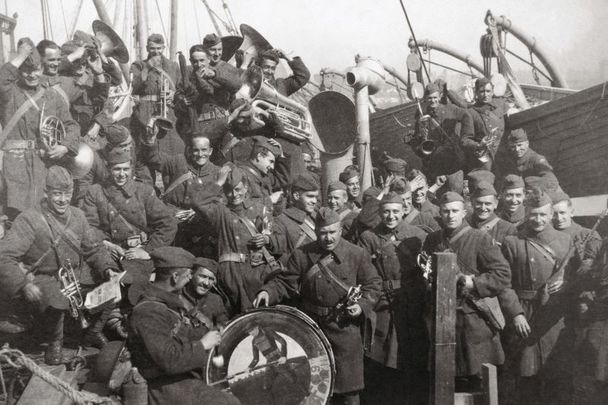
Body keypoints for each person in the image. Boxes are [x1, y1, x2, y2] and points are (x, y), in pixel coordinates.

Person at [254, 207, 381, 405]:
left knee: (349, 392)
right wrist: (267, 292)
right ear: (316, 232)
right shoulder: (302, 255)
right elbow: (285, 283)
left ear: (340, 230)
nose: (328, 238)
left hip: (345, 330)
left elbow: (373, 285)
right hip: (312, 330)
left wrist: (361, 306)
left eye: (332, 232)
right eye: (323, 233)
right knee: (315, 390)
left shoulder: (357, 254)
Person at [0, 166, 118, 364]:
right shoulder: (30, 219)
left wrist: (109, 269)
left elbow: (93, 249)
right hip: (43, 278)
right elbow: (4, 256)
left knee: (114, 286)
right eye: (57, 194)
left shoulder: (78, 216)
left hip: (75, 275)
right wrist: (23, 284)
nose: (63, 200)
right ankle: (56, 345)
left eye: (67, 194)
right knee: (57, 298)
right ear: (46, 193)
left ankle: (93, 332)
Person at [413, 192, 511, 392]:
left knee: (476, 380)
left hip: (473, 321)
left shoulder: (480, 238)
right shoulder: (433, 239)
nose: (450, 215)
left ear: (464, 212)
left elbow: (502, 275)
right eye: (446, 211)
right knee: (446, 379)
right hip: (442, 320)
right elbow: (425, 271)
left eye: (455, 211)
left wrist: (472, 282)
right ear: (440, 213)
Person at [128, 246, 240, 405]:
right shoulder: (150, 311)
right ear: (175, 277)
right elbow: (169, 360)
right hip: (161, 384)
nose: (189, 279)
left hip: (182, 374)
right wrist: (203, 344)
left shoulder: (169, 303)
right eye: (188, 275)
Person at [499, 188, 580, 405]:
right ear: (526, 214)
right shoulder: (512, 242)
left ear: (551, 214)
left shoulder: (565, 241)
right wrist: (515, 314)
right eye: (533, 214)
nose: (538, 219)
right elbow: (504, 284)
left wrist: (566, 283)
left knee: (555, 376)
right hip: (525, 315)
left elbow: (577, 279)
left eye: (543, 214)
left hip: (553, 317)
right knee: (526, 377)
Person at [358, 192, 426, 404]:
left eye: (395, 211)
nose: (391, 216)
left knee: (410, 353)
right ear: (379, 213)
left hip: (411, 302)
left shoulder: (417, 235)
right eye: (386, 211)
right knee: (382, 355)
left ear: (404, 210)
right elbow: (364, 272)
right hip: (382, 303)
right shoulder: (368, 237)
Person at [0, 38, 80, 220]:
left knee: (45, 214)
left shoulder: (51, 96)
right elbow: (2, 78)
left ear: (42, 69)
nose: (32, 75)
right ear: (19, 71)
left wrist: (65, 147)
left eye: (36, 70)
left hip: (44, 164)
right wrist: (20, 55)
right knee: (17, 214)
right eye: (26, 71)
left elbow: (71, 126)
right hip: (15, 166)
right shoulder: (9, 94)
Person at [82, 149, 177, 296]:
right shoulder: (95, 192)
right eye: (117, 169)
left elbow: (168, 223)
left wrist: (147, 250)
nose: (121, 174)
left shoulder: (143, 191)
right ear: (108, 168)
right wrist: (106, 244)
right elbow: (90, 228)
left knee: (135, 290)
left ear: (131, 169)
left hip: (137, 253)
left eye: (125, 169)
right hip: (108, 252)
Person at [191, 166, 279, 314]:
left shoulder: (259, 209)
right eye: (229, 190)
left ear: (246, 188)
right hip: (229, 275)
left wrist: (265, 239)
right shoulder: (220, 212)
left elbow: (276, 237)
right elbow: (198, 202)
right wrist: (218, 183)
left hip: (255, 272)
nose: (234, 195)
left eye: (238, 189)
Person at [130, 33, 184, 155]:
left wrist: (173, 94)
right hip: (145, 113)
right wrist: (147, 68)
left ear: (163, 48)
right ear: (147, 48)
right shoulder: (138, 65)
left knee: (169, 148)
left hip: (168, 113)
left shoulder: (173, 66)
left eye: (159, 48)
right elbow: (134, 87)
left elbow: (181, 89)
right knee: (146, 149)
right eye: (152, 48)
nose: (156, 51)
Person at [412, 82, 469, 191]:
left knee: (455, 191)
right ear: (425, 99)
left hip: (453, 161)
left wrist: (466, 136)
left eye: (435, 98)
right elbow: (416, 143)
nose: (433, 101)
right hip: (434, 163)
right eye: (429, 98)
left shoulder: (450, 109)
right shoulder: (421, 116)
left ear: (440, 96)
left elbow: (467, 115)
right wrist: (421, 134)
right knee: (437, 194)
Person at [268, 173, 319, 258]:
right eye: (310, 196)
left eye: (316, 197)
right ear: (296, 196)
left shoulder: (315, 216)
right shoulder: (281, 221)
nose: (314, 201)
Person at [462, 77, 508, 172]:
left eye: (488, 91)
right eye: (482, 91)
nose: (485, 95)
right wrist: (479, 145)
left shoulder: (501, 105)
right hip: (485, 158)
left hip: (502, 153)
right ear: (476, 93)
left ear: (492, 92)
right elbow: (465, 140)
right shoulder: (471, 113)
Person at [551, 190, 602, 268]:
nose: (559, 218)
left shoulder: (589, 236)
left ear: (571, 212)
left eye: (562, 213)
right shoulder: (545, 236)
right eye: (554, 214)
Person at [236, 135, 287, 213]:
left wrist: (281, 156)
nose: (272, 167)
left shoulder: (263, 176)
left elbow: (282, 181)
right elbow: (241, 207)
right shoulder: (241, 175)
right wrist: (270, 200)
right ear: (259, 156)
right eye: (271, 161)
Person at [181, 257, 229, 330]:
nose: (206, 283)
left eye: (211, 279)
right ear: (191, 275)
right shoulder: (177, 297)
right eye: (203, 276)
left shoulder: (215, 300)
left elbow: (222, 327)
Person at [468, 181, 517, 246]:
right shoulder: (466, 224)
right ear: (472, 203)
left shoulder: (508, 229)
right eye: (479, 203)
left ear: (495, 204)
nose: (483, 208)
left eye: (488, 204)